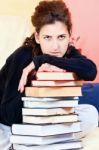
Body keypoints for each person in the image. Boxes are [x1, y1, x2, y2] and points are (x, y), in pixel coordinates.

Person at [0, 0, 98, 141]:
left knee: (90, 114)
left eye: (61, 37)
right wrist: (38, 82)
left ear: (69, 35)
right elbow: (8, 114)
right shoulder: (23, 55)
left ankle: (48, 139)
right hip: (15, 121)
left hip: (52, 114)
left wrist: (45, 60)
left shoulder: (68, 51)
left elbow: (90, 71)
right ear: (37, 37)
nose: (55, 47)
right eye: (47, 38)